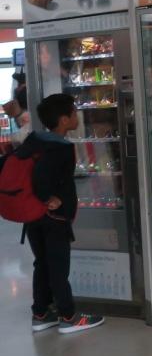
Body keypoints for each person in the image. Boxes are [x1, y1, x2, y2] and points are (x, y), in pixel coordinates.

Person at [18, 93, 104, 334]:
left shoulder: (35, 140)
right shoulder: (60, 147)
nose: (77, 116)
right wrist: (49, 198)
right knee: (58, 267)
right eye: (74, 113)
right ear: (64, 120)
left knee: (42, 263)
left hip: (32, 217)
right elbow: (42, 175)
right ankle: (68, 316)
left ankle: (41, 313)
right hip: (54, 218)